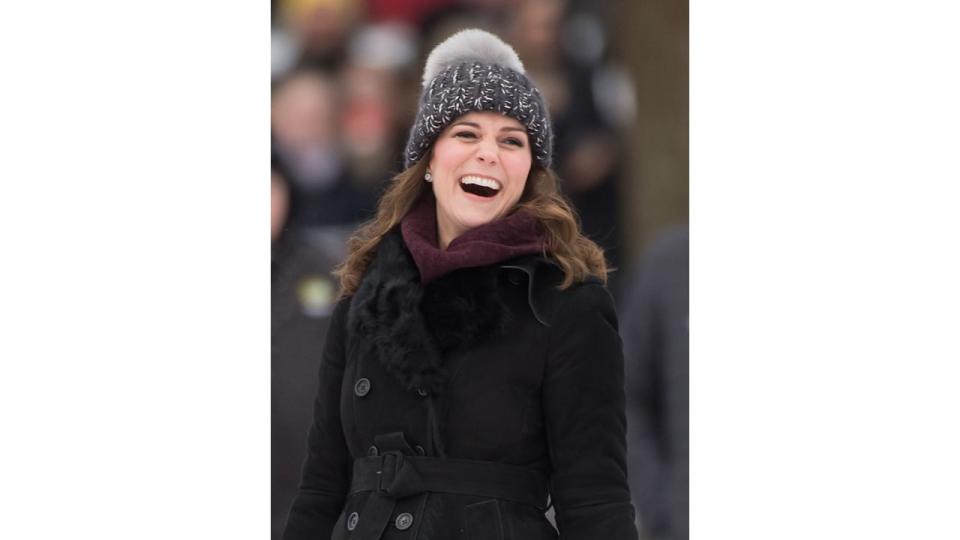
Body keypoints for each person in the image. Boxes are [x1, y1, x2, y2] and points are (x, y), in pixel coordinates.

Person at [282, 29, 638, 540]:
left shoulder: (566, 304)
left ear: (529, 173)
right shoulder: (367, 298)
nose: (488, 154)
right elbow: (320, 490)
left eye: (511, 140)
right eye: (467, 134)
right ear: (429, 159)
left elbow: (596, 498)